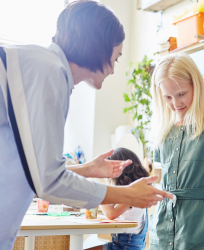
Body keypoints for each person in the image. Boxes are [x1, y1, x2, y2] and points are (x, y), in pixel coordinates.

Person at [0, 1, 172, 249]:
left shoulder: (46, 69)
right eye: (116, 57)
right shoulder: (48, 71)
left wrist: (88, 169)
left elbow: (33, 173)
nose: (114, 68)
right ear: (98, 47)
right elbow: (48, 183)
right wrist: (127, 194)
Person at [149, 53, 204, 250]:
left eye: (181, 94)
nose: (175, 103)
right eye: (168, 97)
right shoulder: (163, 130)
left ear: (195, 86)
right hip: (161, 229)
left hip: (199, 229)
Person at [86, 147, 149, 250]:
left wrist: (98, 191)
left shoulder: (133, 193)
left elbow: (111, 214)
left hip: (126, 247)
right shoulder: (132, 190)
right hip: (121, 244)